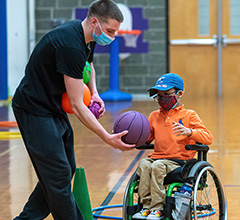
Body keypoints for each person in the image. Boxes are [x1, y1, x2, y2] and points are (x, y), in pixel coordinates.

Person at [12, 0, 135, 219]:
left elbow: (88, 66)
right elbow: (78, 105)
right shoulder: (70, 45)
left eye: (115, 32)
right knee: (58, 176)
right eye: (109, 31)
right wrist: (107, 137)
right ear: (95, 22)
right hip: (33, 109)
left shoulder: (85, 36)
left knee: (65, 170)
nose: (112, 37)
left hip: (51, 106)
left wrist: (94, 92)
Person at [132, 73, 213, 220]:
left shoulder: (189, 115)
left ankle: (157, 209)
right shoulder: (153, 116)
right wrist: (130, 136)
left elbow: (208, 137)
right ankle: (146, 206)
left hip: (179, 161)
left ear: (179, 94)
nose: (162, 99)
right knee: (144, 164)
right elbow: (146, 139)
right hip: (157, 158)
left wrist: (190, 132)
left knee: (157, 167)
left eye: (166, 95)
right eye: (159, 96)